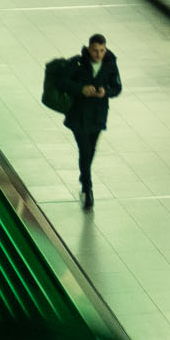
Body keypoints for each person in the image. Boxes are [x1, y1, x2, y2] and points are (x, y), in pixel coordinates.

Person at [62, 35, 121, 209]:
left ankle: (84, 175)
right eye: (95, 50)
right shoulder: (78, 63)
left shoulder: (110, 64)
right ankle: (88, 187)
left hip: (98, 114)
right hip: (79, 115)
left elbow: (117, 87)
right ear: (89, 49)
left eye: (102, 50)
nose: (98, 54)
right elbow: (63, 82)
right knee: (85, 149)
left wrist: (106, 92)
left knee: (91, 149)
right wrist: (81, 89)